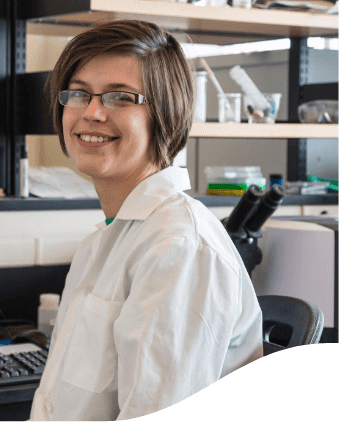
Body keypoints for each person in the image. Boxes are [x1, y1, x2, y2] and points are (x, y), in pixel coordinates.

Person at [28, 19, 263, 421]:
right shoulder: (102, 243)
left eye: (120, 97)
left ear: (166, 114)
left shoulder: (178, 248)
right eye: (79, 94)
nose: (93, 112)